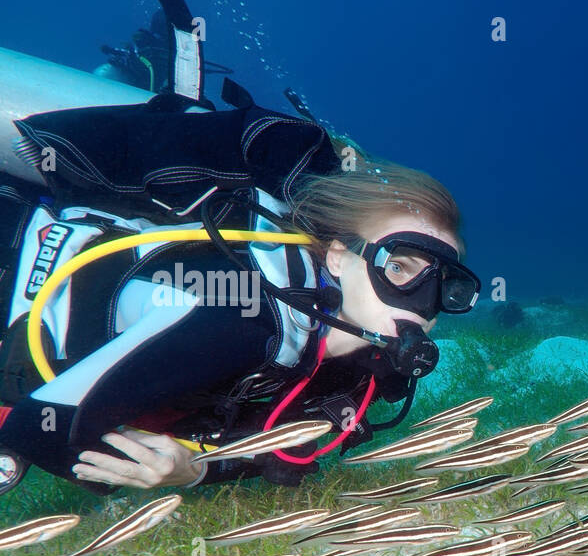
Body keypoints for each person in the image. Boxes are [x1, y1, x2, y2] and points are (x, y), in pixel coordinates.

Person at [0, 134, 480, 495]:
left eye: (445, 286)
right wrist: (159, 466)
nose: (420, 302)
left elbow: (278, 455)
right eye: (399, 266)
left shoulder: (367, 367)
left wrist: (196, 468)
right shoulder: (242, 317)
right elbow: (40, 428)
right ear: (337, 257)